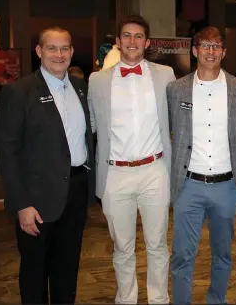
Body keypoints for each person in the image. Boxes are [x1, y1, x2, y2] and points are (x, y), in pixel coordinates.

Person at [0, 27, 95, 304]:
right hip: (36, 200)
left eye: (65, 48)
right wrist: (21, 204)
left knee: (67, 271)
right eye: (52, 48)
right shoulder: (19, 92)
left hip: (75, 192)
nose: (59, 54)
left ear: (72, 52)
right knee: (35, 273)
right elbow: (7, 152)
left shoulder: (81, 88)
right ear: (39, 51)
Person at [87, 15, 176, 304]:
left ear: (147, 43)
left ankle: (158, 299)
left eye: (138, 36)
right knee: (122, 247)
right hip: (116, 174)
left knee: (158, 245)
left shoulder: (165, 74)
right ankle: (126, 299)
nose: (132, 41)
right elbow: (90, 125)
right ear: (117, 41)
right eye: (126, 35)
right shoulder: (97, 80)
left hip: (155, 170)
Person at [167, 26, 236, 304]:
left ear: (224, 52)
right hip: (188, 184)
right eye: (205, 46)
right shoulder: (176, 89)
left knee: (223, 254)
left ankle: (217, 300)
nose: (210, 51)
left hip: (226, 186)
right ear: (194, 51)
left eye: (216, 46)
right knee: (182, 255)